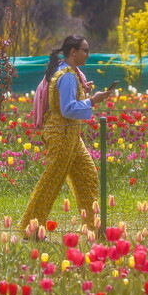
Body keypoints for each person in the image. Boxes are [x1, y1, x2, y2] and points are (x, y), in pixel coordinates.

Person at [19, 34, 112, 233]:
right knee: (50, 183)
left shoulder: (68, 71)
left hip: (71, 134)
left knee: (87, 176)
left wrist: (84, 92)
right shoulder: (67, 75)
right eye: (85, 50)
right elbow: (68, 109)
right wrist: (92, 101)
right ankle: (31, 230)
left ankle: (93, 228)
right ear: (73, 52)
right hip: (61, 135)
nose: (88, 54)